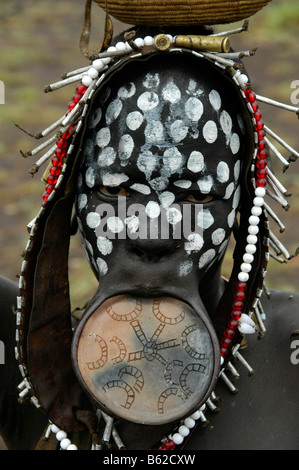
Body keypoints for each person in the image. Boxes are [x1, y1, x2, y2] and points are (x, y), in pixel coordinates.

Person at [0, 17, 298, 451]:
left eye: (195, 197)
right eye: (115, 190)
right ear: (68, 201)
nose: (152, 233)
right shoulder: (20, 355)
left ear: (241, 209)